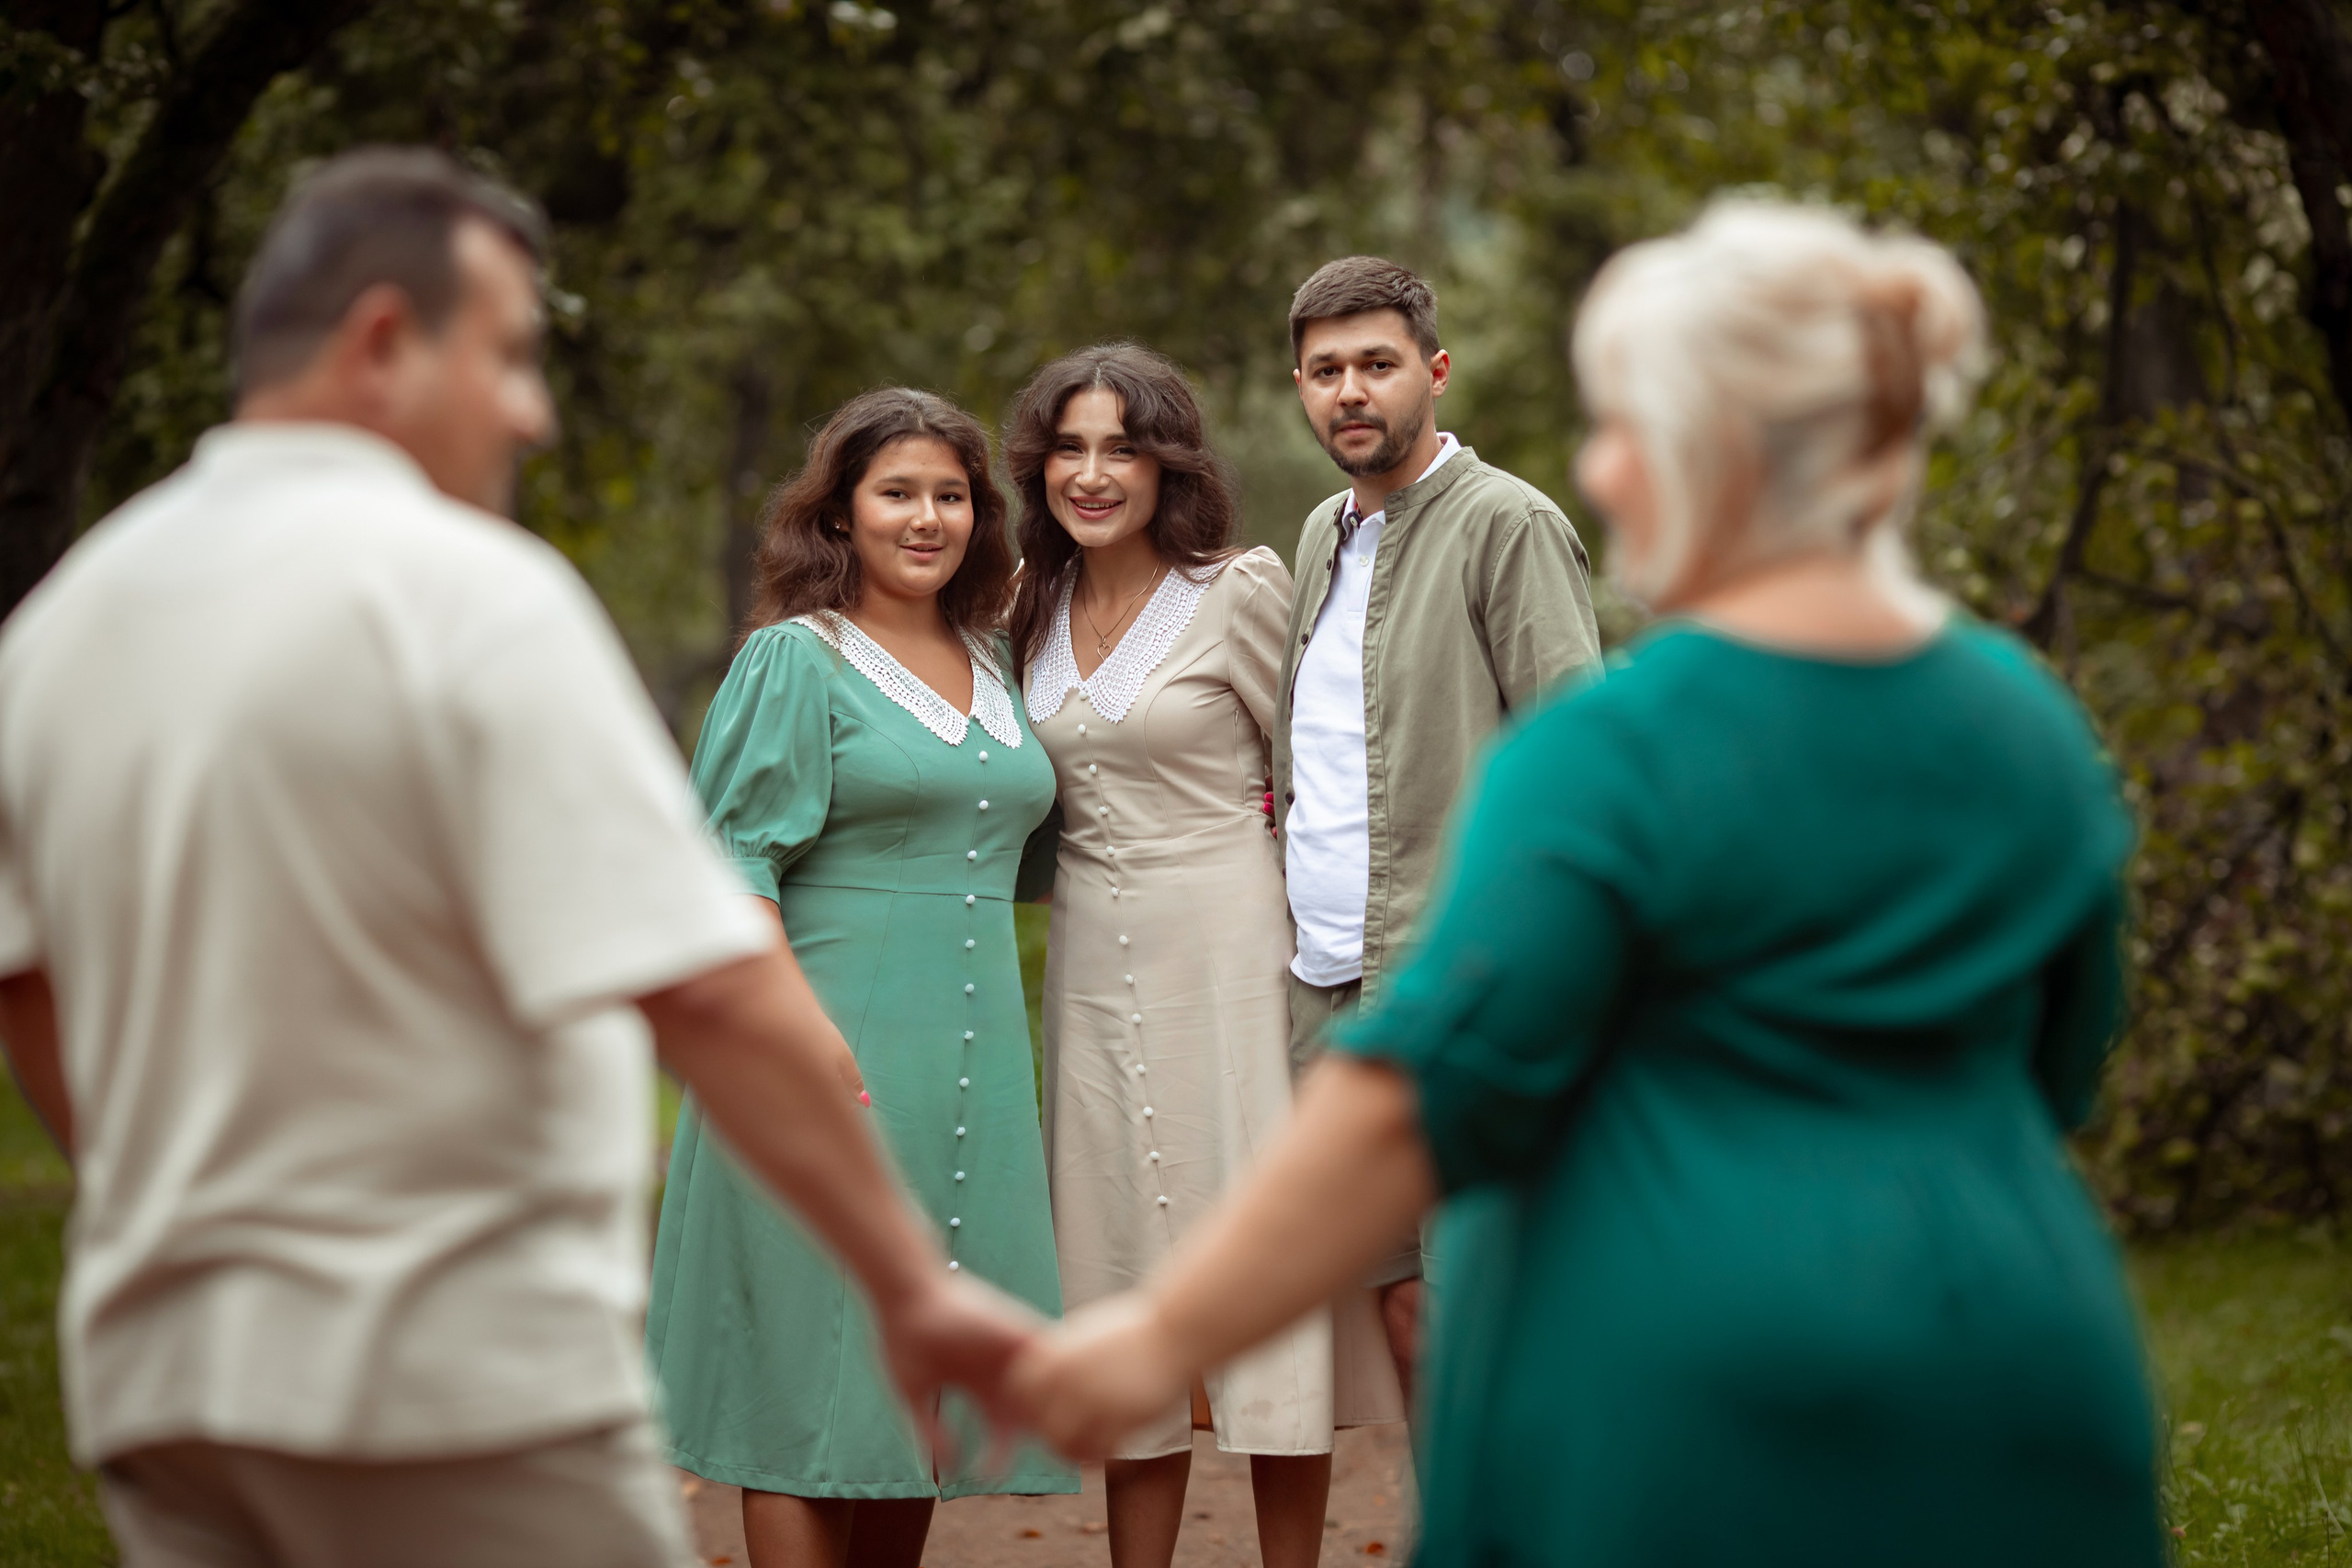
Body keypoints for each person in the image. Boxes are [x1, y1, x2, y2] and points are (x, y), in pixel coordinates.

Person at [1008, 202, 2167, 1568]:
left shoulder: (1603, 758)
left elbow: (1420, 1094)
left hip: (1715, 1386)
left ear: (1718, 450)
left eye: (1623, 430)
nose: (1604, 474)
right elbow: (2072, 1046)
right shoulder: (2025, 721)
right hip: (2030, 1355)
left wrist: (1149, 1334)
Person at [0, 149, 1038, 1568]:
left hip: (161, 1374)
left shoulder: (64, 620)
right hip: (447, 1374)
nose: (531, 409)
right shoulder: (470, 595)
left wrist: (167, 1211)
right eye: (505, 356)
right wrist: (906, 1281)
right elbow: (710, 985)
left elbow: (30, 987)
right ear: (380, 339)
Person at [646, 387, 1078, 1568]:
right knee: (802, 1371)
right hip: (829, 1041)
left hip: (975, 1070)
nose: (925, 517)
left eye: (949, 493)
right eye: (897, 492)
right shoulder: (798, 657)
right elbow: (734, 855)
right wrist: (790, 1030)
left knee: (917, 1381)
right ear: (840, 512)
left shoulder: (995, 661)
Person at [1003, 343, 1402, 1568]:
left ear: (1166, 459)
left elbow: (1324, 762)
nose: (1092, 470)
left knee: (1261, 1252)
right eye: (1069, 446)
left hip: (1231, 948)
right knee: (1122, 1260)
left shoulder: (1240, 585)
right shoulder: (1027, 600)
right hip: (1087, 958)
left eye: (1121, 444)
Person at [1273, 255, 1602, 1402]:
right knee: (1403, 1323)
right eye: (1325, 371)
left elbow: (1575, 766)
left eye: (1377, 363)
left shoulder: (1507, 523)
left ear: (1436, 371)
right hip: (1330, 991)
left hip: (1456, 988)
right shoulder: (1322, 533)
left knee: (1483, 1318)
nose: (1350, 392)